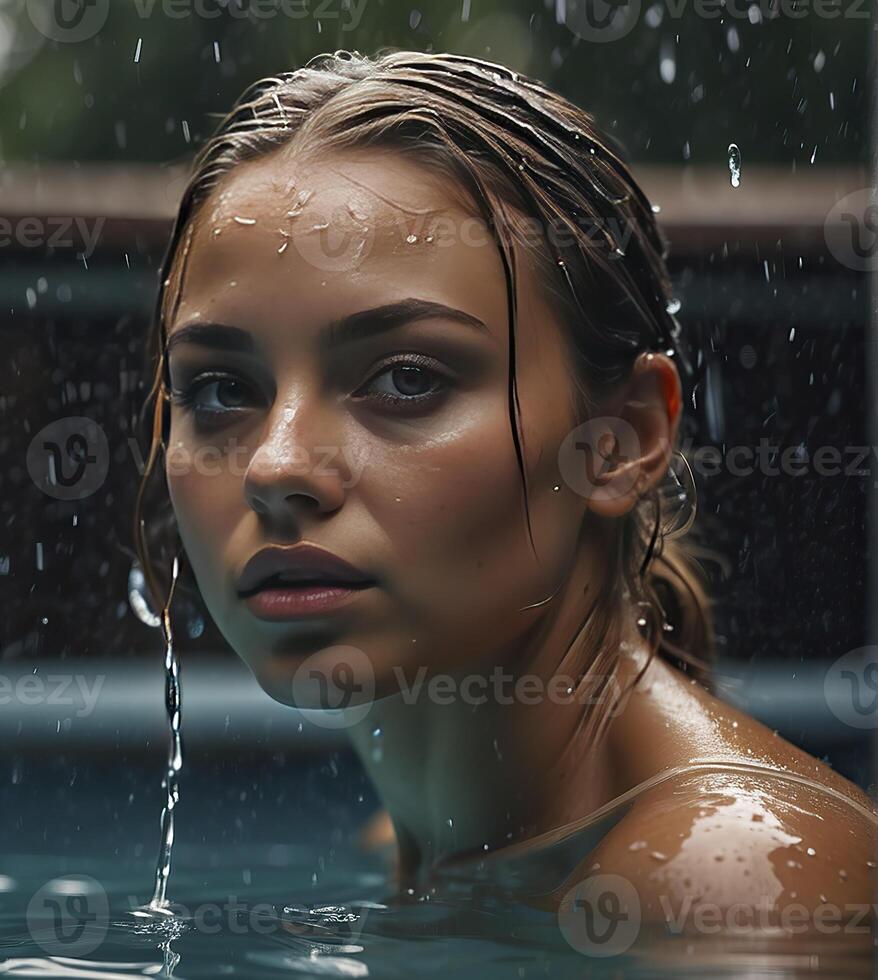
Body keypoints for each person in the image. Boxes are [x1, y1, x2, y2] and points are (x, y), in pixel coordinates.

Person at [132, 49, 876, 938]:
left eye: (406, 379)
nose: (276, 466)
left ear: (622, 440)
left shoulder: (732, 883)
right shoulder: (418, 841)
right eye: (220, 390)